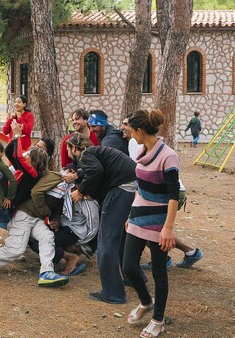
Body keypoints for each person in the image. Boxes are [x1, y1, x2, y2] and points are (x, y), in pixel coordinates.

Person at [0, 146, 69, 287]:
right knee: (17, 248)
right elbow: (13, 156)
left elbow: (57, 202)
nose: (25, 156)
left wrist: (55, 218)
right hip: (24, 215)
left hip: (35, 218)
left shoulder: (45, 176)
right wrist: (45, 211)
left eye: (28, 155)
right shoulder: (35, 174)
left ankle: (46, 272)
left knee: (47, 237)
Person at [122, 109, 179, 337]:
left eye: (132, 131)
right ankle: (146, 302)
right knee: (128, 267)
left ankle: (158, 319)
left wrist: (168, 228)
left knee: (158, 271)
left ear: (141, 131)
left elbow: (173, 195)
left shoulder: (168, 156)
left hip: (159, 222)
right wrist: (130, 216)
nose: (130, 134)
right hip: (138, 216)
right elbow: (141, 189)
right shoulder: (141, 151)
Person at [121, 116, 204, 270]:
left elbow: (151, 177)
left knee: (152, 228)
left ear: (139, 130)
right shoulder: (137, 143)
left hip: (168, 193)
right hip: (152, 192)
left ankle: (168, 258)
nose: (123, 127)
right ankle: (188, 252)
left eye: (127, 125)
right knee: (148, 228)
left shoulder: (140, 145)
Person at [66, 133, 136, 304]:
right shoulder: (96, 151)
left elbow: (96, 171)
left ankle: (113, 293)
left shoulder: (85, 154)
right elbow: (98, 171)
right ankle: (133, 277)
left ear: (74, 148)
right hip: (128, 186)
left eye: (68, 148)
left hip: (121, 188)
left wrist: (81, 192)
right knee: (119, 237)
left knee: (106, 242)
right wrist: (79, 177)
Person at [2, 95, 34, 170]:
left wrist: (20, 118)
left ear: (24, 104)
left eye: (19, 102)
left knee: (22, 168)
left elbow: (28, 130)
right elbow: (5, 131)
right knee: (12, 169)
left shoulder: (29, 115)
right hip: (12, 147)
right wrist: (10, 119)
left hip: (23, 147)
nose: (16, 104)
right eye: (15, 102)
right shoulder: (12, 115)